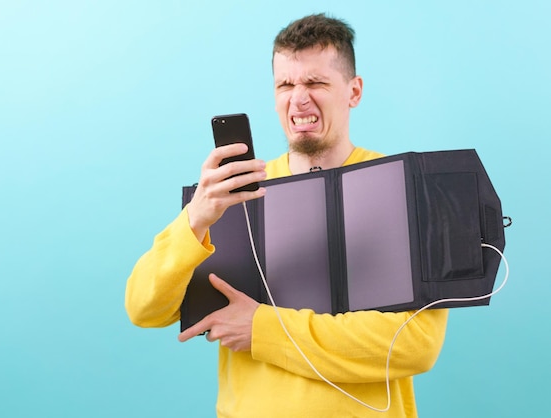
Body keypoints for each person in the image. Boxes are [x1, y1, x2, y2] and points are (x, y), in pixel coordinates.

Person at [125, 13, 448, 418]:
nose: (299, 98)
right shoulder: (226, 196)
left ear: (354, 91)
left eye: (315, 83)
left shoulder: (402, 187)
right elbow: (143, 308)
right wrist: (195, 219)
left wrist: (262, 329)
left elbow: (415, 344)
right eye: (286, 84)